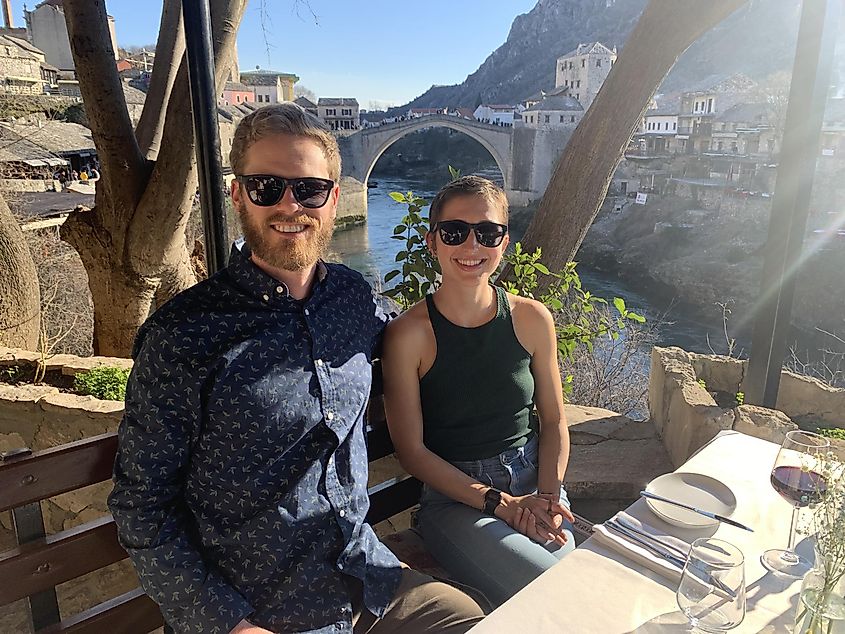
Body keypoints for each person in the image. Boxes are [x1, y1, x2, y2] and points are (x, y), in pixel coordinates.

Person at [108, 103, 484, 634]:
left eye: (309, 189)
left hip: (366, 578)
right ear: (238, 194)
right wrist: (227, 624)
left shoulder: (354, 300)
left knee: (474, 619)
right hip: (261, 608)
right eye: (266, 187)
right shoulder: (184, 335)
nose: (290, 205)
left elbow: (427, 342)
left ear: (333, 199)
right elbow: (141, 505)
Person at [382, 176, 576, 607]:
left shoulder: (532, 319)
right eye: (455, 232)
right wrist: (501, 503)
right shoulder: (409, 336)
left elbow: (554, 420)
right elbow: (412, 452)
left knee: (569, 588)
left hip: (535, 482)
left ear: (504, 242)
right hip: (457, 502)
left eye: (487, 233)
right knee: (559, 591)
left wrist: (547, 496)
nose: (472, 246)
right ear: (432, 242)